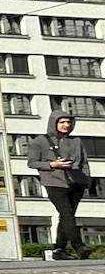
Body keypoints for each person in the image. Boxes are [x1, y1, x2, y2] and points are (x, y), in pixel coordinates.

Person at [28, 111, 90, 260]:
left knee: (66, 216)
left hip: (76, 183)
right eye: (62, 122)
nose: (66, 125)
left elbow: (84, 162)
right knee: (67, 214)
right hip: (54, 183)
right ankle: (79, 246)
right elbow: (32, 163)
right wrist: (52, 164)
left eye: (68, 122)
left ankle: (59, 249)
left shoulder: (76, 141)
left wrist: (87, 180)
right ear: (54, 123)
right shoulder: (40, 141)